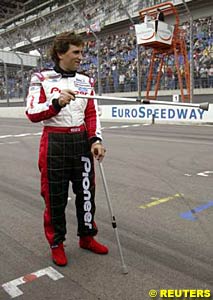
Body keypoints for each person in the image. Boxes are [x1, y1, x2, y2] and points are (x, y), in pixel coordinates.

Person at [26, 31, 108, 267]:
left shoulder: (86, 80)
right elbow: (32, 113)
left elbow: (91, 114)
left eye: (82, 52)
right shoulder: (40, 78)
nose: (81, 56)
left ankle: (87, 236)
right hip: (54, 143)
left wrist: (96, 140)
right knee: (55, 198)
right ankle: (57, 243)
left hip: (81, 142)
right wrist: (56, 102)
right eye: (76, 52)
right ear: (61, 53)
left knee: (86, 194)